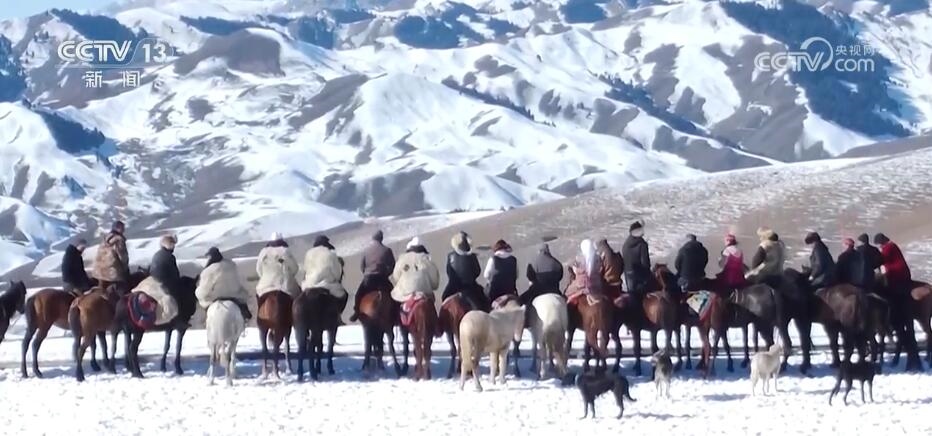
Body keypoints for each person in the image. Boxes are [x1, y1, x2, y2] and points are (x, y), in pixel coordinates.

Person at [195, 247, 253, 321]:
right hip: (236, 297)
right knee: (245, 314)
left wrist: (198, 293)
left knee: (207, 315)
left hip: (214, 300)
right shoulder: (232, 266)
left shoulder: (208, 271)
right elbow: (242, 282)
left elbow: (204, 290)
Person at [350, 230, 396, 322]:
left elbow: (362, 266)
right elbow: (392, 265)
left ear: (373, 238)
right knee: (394, 295)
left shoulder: (366, 250)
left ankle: (356, 312)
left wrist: (366, 272)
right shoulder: (387, 250)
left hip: (368, 279)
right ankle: (396, 314)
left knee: (359, 294)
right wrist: (387, 273)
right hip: (382, 279)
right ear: (381, 238)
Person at [301, 235, 348, 318]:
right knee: (344, 295)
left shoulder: (308, 254)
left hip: (309, 285)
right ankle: (337, 316)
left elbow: (305, 270)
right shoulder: (330, 253)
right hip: (326, 284)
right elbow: (337, 273)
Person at [442, 231, 488, 311]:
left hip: (453, 286)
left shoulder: (450, 256)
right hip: (470, 286)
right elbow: (477, 271)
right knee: (485, 301)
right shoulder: (472, 256)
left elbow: (449, 272)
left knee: (444, 298)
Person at [390, 237, 440, 305]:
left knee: (396, 301)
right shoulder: (427, 260)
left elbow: (396, 276)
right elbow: (435, 283)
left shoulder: (402, 259)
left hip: (405, 294)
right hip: (424, 293)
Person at [255, 232, 300, 299]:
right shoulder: (285, 251)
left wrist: (264, 277)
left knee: (258, 296)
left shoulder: (263, 252)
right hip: (284, 286)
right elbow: (295, 268)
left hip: (264, 286)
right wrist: (290, 275)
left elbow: (258, 269)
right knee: (298, 294)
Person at [93, 220, 130, 290]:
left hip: (100, 271)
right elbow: (122, 256)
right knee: (123, 289)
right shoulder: (119, 239)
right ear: (118, 228)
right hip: (113, 272)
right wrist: (125, 268)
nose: (124, 230)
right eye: (122, 228)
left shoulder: (105, 239)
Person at [483, 239, 518, 304]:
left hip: (494, 292)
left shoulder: (493, 259)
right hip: (509, 290)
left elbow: (486, 275)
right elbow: (516, 276)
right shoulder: (513, 259)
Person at [622, 221, 651, 296]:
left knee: (632, 295)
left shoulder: (625, 244)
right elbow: (645, 263)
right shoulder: (642, 244)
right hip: (639, 274)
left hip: (628, 273)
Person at [596, 239, 624, 303]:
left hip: (608, 285)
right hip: (618, 283)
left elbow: (600, 273)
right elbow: (622, 268)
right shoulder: (617, 256)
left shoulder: (602, 259)